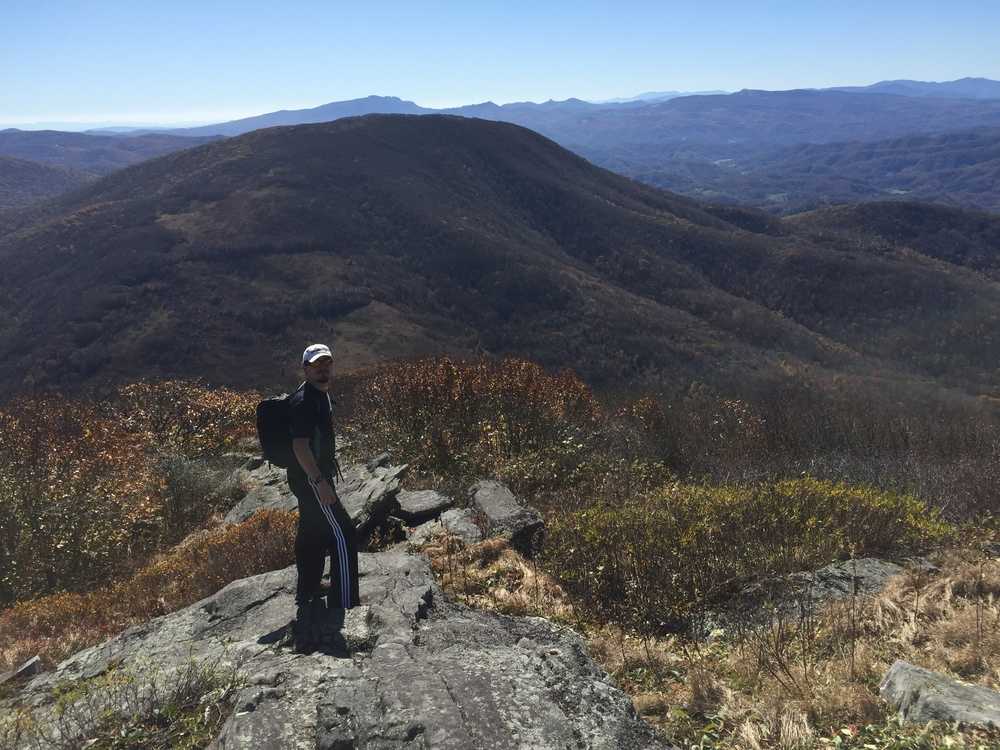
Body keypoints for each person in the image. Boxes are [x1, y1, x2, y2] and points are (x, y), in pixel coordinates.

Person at [287, 343, 359, 652]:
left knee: (311, 534)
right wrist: (320, 483)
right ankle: (345, 600)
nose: (323, 369)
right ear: (305, 369)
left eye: (327, 364)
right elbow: (300, 446)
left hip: (309, 480)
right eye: (316, 365)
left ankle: (307, 592)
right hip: (312, 481)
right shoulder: (305, 401)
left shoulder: (319, 395)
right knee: (344, 534)